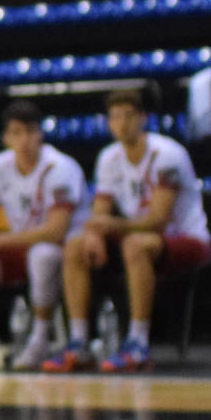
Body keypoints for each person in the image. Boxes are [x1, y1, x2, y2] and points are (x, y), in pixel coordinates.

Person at [44, 86, 210, 372]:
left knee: (136, 244)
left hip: (185, 238)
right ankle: (79, 342)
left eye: (128, 115)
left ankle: (138, 343)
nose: (122, 122)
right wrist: (94, 233)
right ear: (108, 123)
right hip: (138, 235)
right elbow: (100, 211)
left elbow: (158, 219)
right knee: (75, 245)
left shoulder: (166, 154)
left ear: (143, 118)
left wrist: (108, 225)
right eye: (115, 117)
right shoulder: (109, 157)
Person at [0, 100, 87, 371]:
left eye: (30, 132)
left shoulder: (59, 167)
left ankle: (40, 339)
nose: (25, 140)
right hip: (18, 247)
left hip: (62, 251)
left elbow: (56, 231)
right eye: (17, 133)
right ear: (6, 138)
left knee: (42, 255)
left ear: (40, 134)